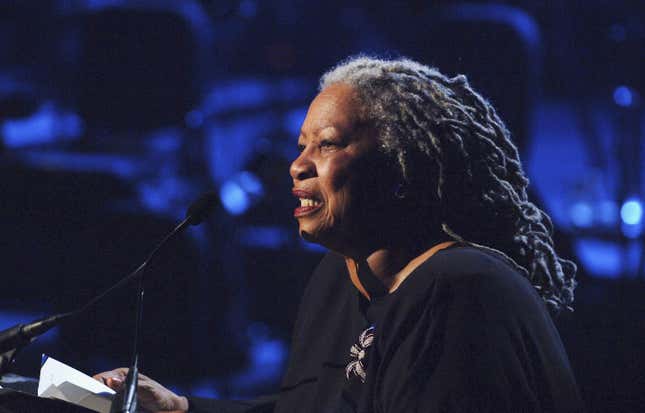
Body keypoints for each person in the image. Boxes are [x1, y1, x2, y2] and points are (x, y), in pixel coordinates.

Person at [95, 56, 583, 412]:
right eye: (301, 145)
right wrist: (181, 408)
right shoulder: (340, 277)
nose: (297, 165)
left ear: (399, 169)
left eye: (327, 145)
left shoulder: (461, 291)